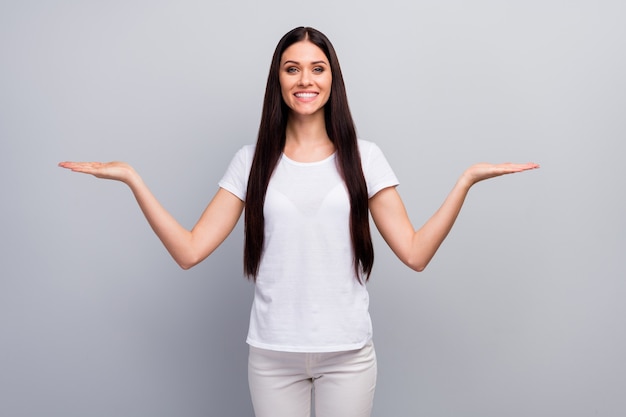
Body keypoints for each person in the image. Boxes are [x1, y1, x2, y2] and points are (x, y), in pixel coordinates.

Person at [59, 26, 538, 417]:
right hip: (272, 356)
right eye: (292, 69)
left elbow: (414, 253)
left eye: (317, 68)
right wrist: (132, 179)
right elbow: (189, 250)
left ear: (332, 79)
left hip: (348, 355)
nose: (304, 80)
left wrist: (466, 182)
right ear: (278, 81)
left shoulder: (364, 158)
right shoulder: (251, 162)